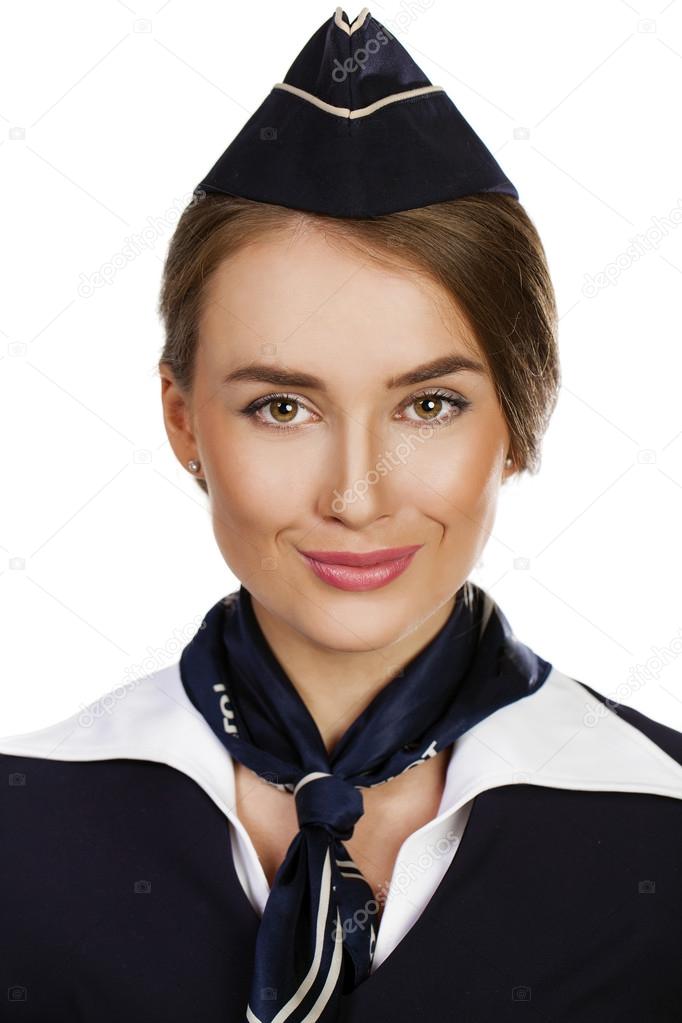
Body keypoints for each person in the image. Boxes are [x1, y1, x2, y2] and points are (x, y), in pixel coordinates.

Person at [2, 7, 681, 1022]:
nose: (355, 495)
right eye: (282, 407)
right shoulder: (23, 836)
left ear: (521, 421)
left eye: (427, 405)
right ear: (182, 419)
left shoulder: (661, 830)